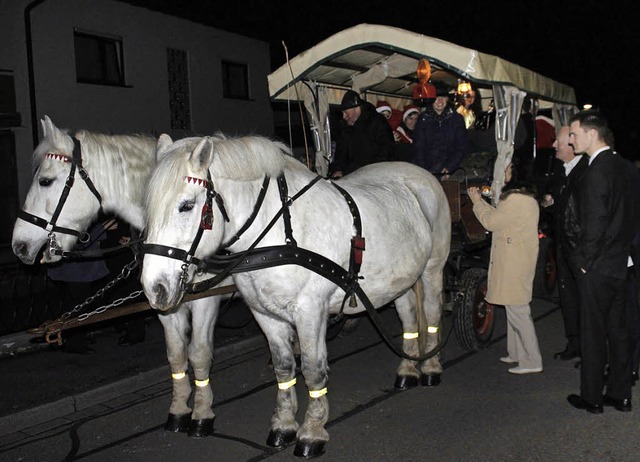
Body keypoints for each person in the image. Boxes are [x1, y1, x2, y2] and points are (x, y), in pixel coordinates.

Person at [565, 110, 635, 413]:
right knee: (619, 330)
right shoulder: (627, 167)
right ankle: (621, 394)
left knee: (593, 333)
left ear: (592, 134)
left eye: (574, 133)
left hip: (598, 266)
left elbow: (595, 224)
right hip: (623, 262)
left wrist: (582, 263)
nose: (570, 139)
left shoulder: (596, 171)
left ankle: (592, 398)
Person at [468, 162, 542, 374]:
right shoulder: (525, 198)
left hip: (513, 261)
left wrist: (476, 202)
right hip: (517, 259)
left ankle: (532, 360)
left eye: (508, 169)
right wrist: (483, 203)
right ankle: (517, 353)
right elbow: (502, 219)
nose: (504, 172)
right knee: (514, 308)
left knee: (518, 311)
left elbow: (491, 222)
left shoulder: (516, 199)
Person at [541, 125, 588, 362]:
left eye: (557, 140)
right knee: (567, 297)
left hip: (580, 247)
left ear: (571, 144)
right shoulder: (560, 170)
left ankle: (592, 350)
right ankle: (575, 343)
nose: (554, 145)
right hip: (562, 244)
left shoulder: (586, 171)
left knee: (585, 299)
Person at [47, 221, 110, 354]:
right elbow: (81, 241)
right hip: (76, 270)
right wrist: (102, 227)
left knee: (78, 304)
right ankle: (73, 342)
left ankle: (68, 337)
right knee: (79, 306)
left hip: (83, 269)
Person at [329, 90, 395, 179]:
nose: (344, 116)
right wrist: (338, 169)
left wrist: (367, 170)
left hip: (377, 176)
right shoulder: (345, 127)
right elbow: (341, 152)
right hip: (352, 176)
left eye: (346, 112)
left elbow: (386, 150)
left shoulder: (377, 122)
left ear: (356, 108)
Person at [413, 83, 468, 177]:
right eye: (436, 97)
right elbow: (419, 147)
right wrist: (425, 170)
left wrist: (449, 168)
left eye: (443, 97)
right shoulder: (423, 119)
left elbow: (461, 147)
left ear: (447, 99)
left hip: (451, 171)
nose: (440, 101)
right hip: (427, 171)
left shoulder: (457, 119)